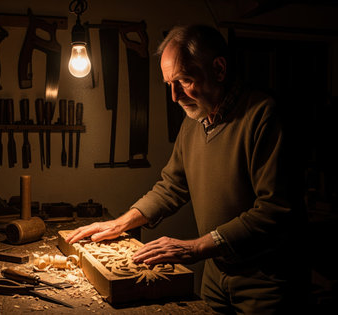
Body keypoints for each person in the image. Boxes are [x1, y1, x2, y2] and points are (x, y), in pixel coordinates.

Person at [66, 24, 308, 314]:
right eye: (169, 83)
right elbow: (172, 185)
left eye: (183, 80)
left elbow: (275, 210)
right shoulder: (195, 121)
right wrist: (122, 222)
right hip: (215, 274)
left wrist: (194, 248)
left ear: (219, 69)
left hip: (267, 281)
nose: (174, 96)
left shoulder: (264, 115)